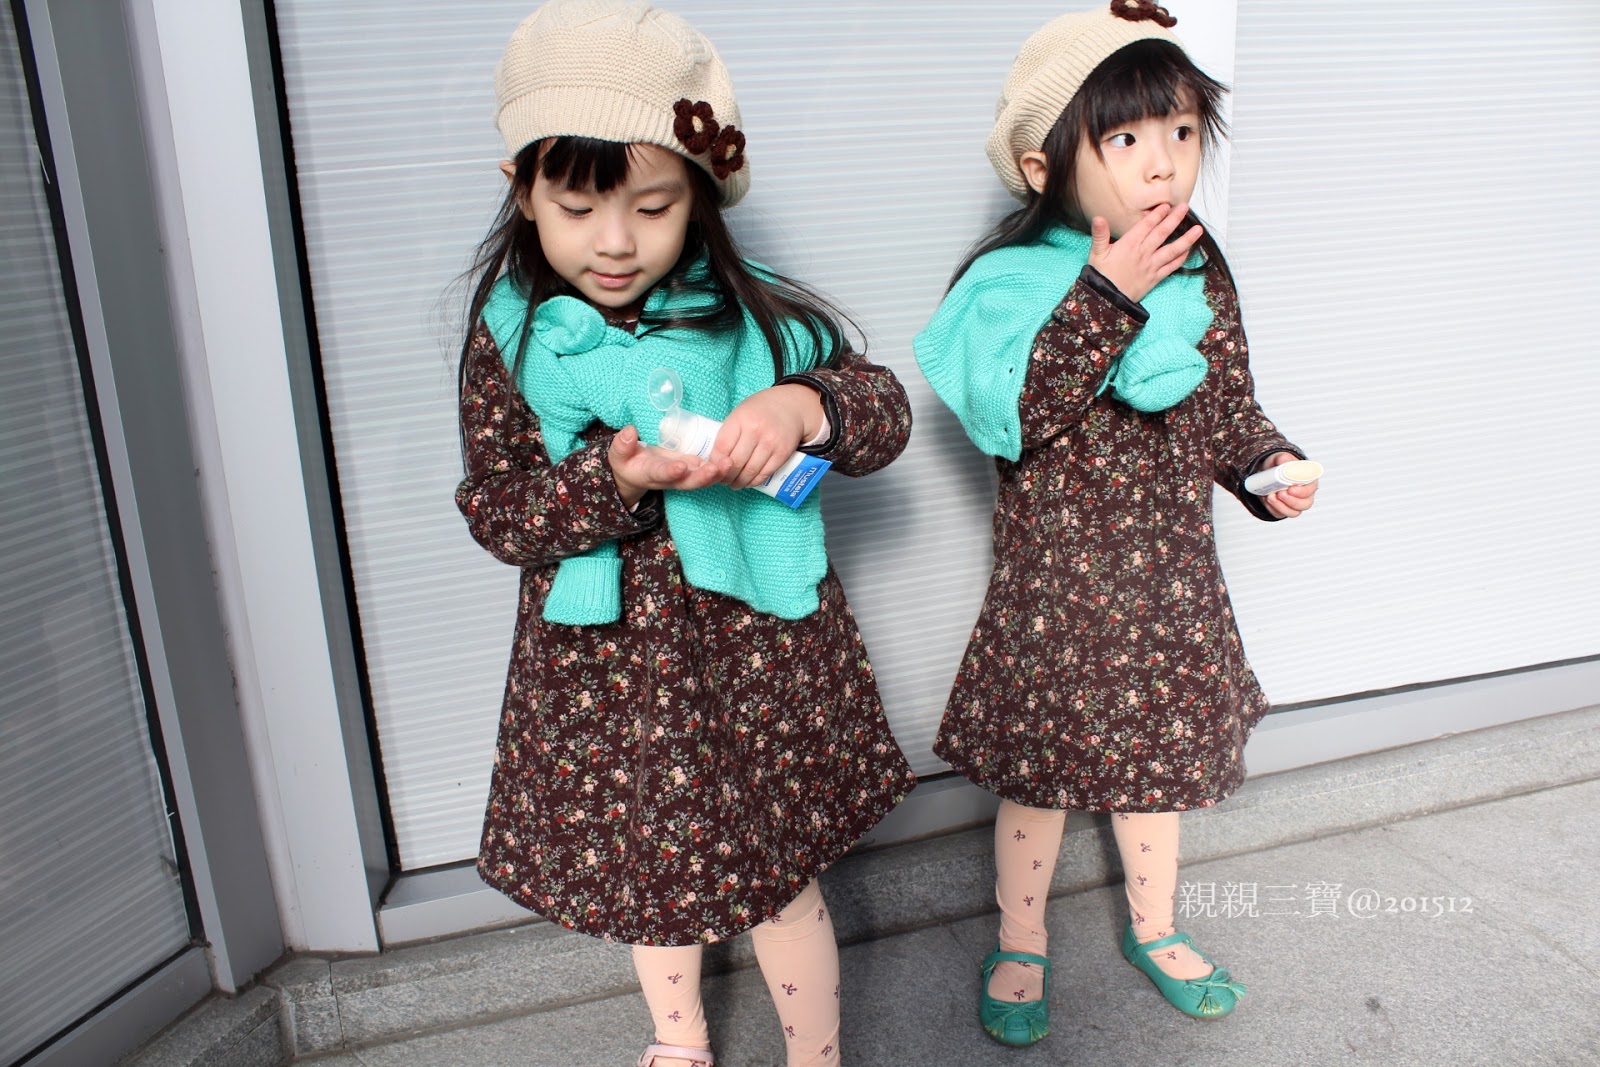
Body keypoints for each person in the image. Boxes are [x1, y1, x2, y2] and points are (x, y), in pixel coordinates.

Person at [453, 4, 916, 1065]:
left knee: (780, 875)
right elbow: (498, 510)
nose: (615, 241)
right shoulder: (514, 341)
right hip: (609, 672)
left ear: (699, 198)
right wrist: (609, 478)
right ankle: (679, 1041)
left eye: (654, 206)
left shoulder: (756, 318)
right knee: (651, 875)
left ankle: (815, 1053)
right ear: (522, 190)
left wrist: (802, 406)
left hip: (759, 658)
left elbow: (881, 411)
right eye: (576, 207)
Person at [914, 0, 1318, 1047]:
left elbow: (1224, 405)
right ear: (1043, 165)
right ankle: (1020, 939)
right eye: (1125, 138)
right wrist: (1104, 292)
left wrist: (1266, 467)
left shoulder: (1198, 265)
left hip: (1169, 581)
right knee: (1040, 780)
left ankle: (1155, 926)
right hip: (1056, 592)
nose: (1163, 161)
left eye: (1181, 130)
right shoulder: (1007, 283)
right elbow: (1015, 414)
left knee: (1155, 774)